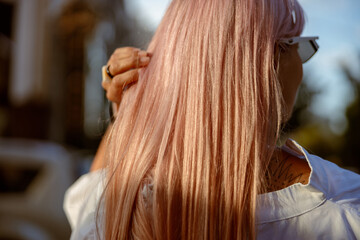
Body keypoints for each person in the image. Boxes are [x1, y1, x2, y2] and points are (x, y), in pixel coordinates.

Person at [64, 0, 360, 239]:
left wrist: (127, 107)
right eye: (301, 45)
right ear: (268, 62)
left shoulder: (115, 209)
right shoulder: (345, 212)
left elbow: (92, 191)